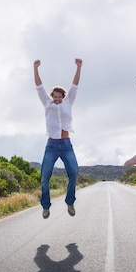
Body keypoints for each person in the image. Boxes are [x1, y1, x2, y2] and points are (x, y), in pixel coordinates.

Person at [34, 58, 82, 219]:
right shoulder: (47, 103)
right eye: (54, 96)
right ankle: (46, 206)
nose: (56, 98)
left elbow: (74, 85)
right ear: (51, 96)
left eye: (59, 96)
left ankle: (70, 202)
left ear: (63, 96)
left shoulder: (69, 102)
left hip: (66, 144)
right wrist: (36, 69)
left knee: (74, 172)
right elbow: (39, 87)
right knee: (45, 175)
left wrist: (78, 67)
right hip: (52, 145)